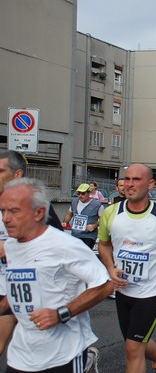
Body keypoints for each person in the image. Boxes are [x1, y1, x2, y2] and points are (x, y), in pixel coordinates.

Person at [0, 178, 112, 372]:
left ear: (39, 213)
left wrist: (62, 313)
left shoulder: (64, 246)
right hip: (21, 354)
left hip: (63, 353)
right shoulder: (10, 247)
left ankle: (87, 359)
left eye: (14, 211)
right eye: (3, 211)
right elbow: (26, 283)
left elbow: (105, 285)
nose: (6, 219)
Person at [98, 163, 156, 372]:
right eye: (127, 179)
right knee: (136, 341)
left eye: (136, 180)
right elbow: (104, 244)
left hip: (153, 290)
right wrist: (110, 268)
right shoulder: (111, 213)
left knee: (133, 348)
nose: (129, 185)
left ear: (150, 184)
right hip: (123, 289)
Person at [0, 151, 65, 358]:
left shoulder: (37, 206)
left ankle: (81, 355)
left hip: (27, 286)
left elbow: (58, 245)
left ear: (17, 174)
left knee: (38, 349)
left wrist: (10, 247)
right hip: (6, 285)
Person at [62, 183, 104, 249]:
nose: (80, 196)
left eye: (83, 194)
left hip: (88, 236)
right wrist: (65, 222)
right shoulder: (74, 202)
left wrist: (94, 226)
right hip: (75, 234)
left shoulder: (97, 205)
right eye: (78, 193)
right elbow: (69, 214)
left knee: (84, 254)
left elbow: (102, 218)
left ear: (89, 193)